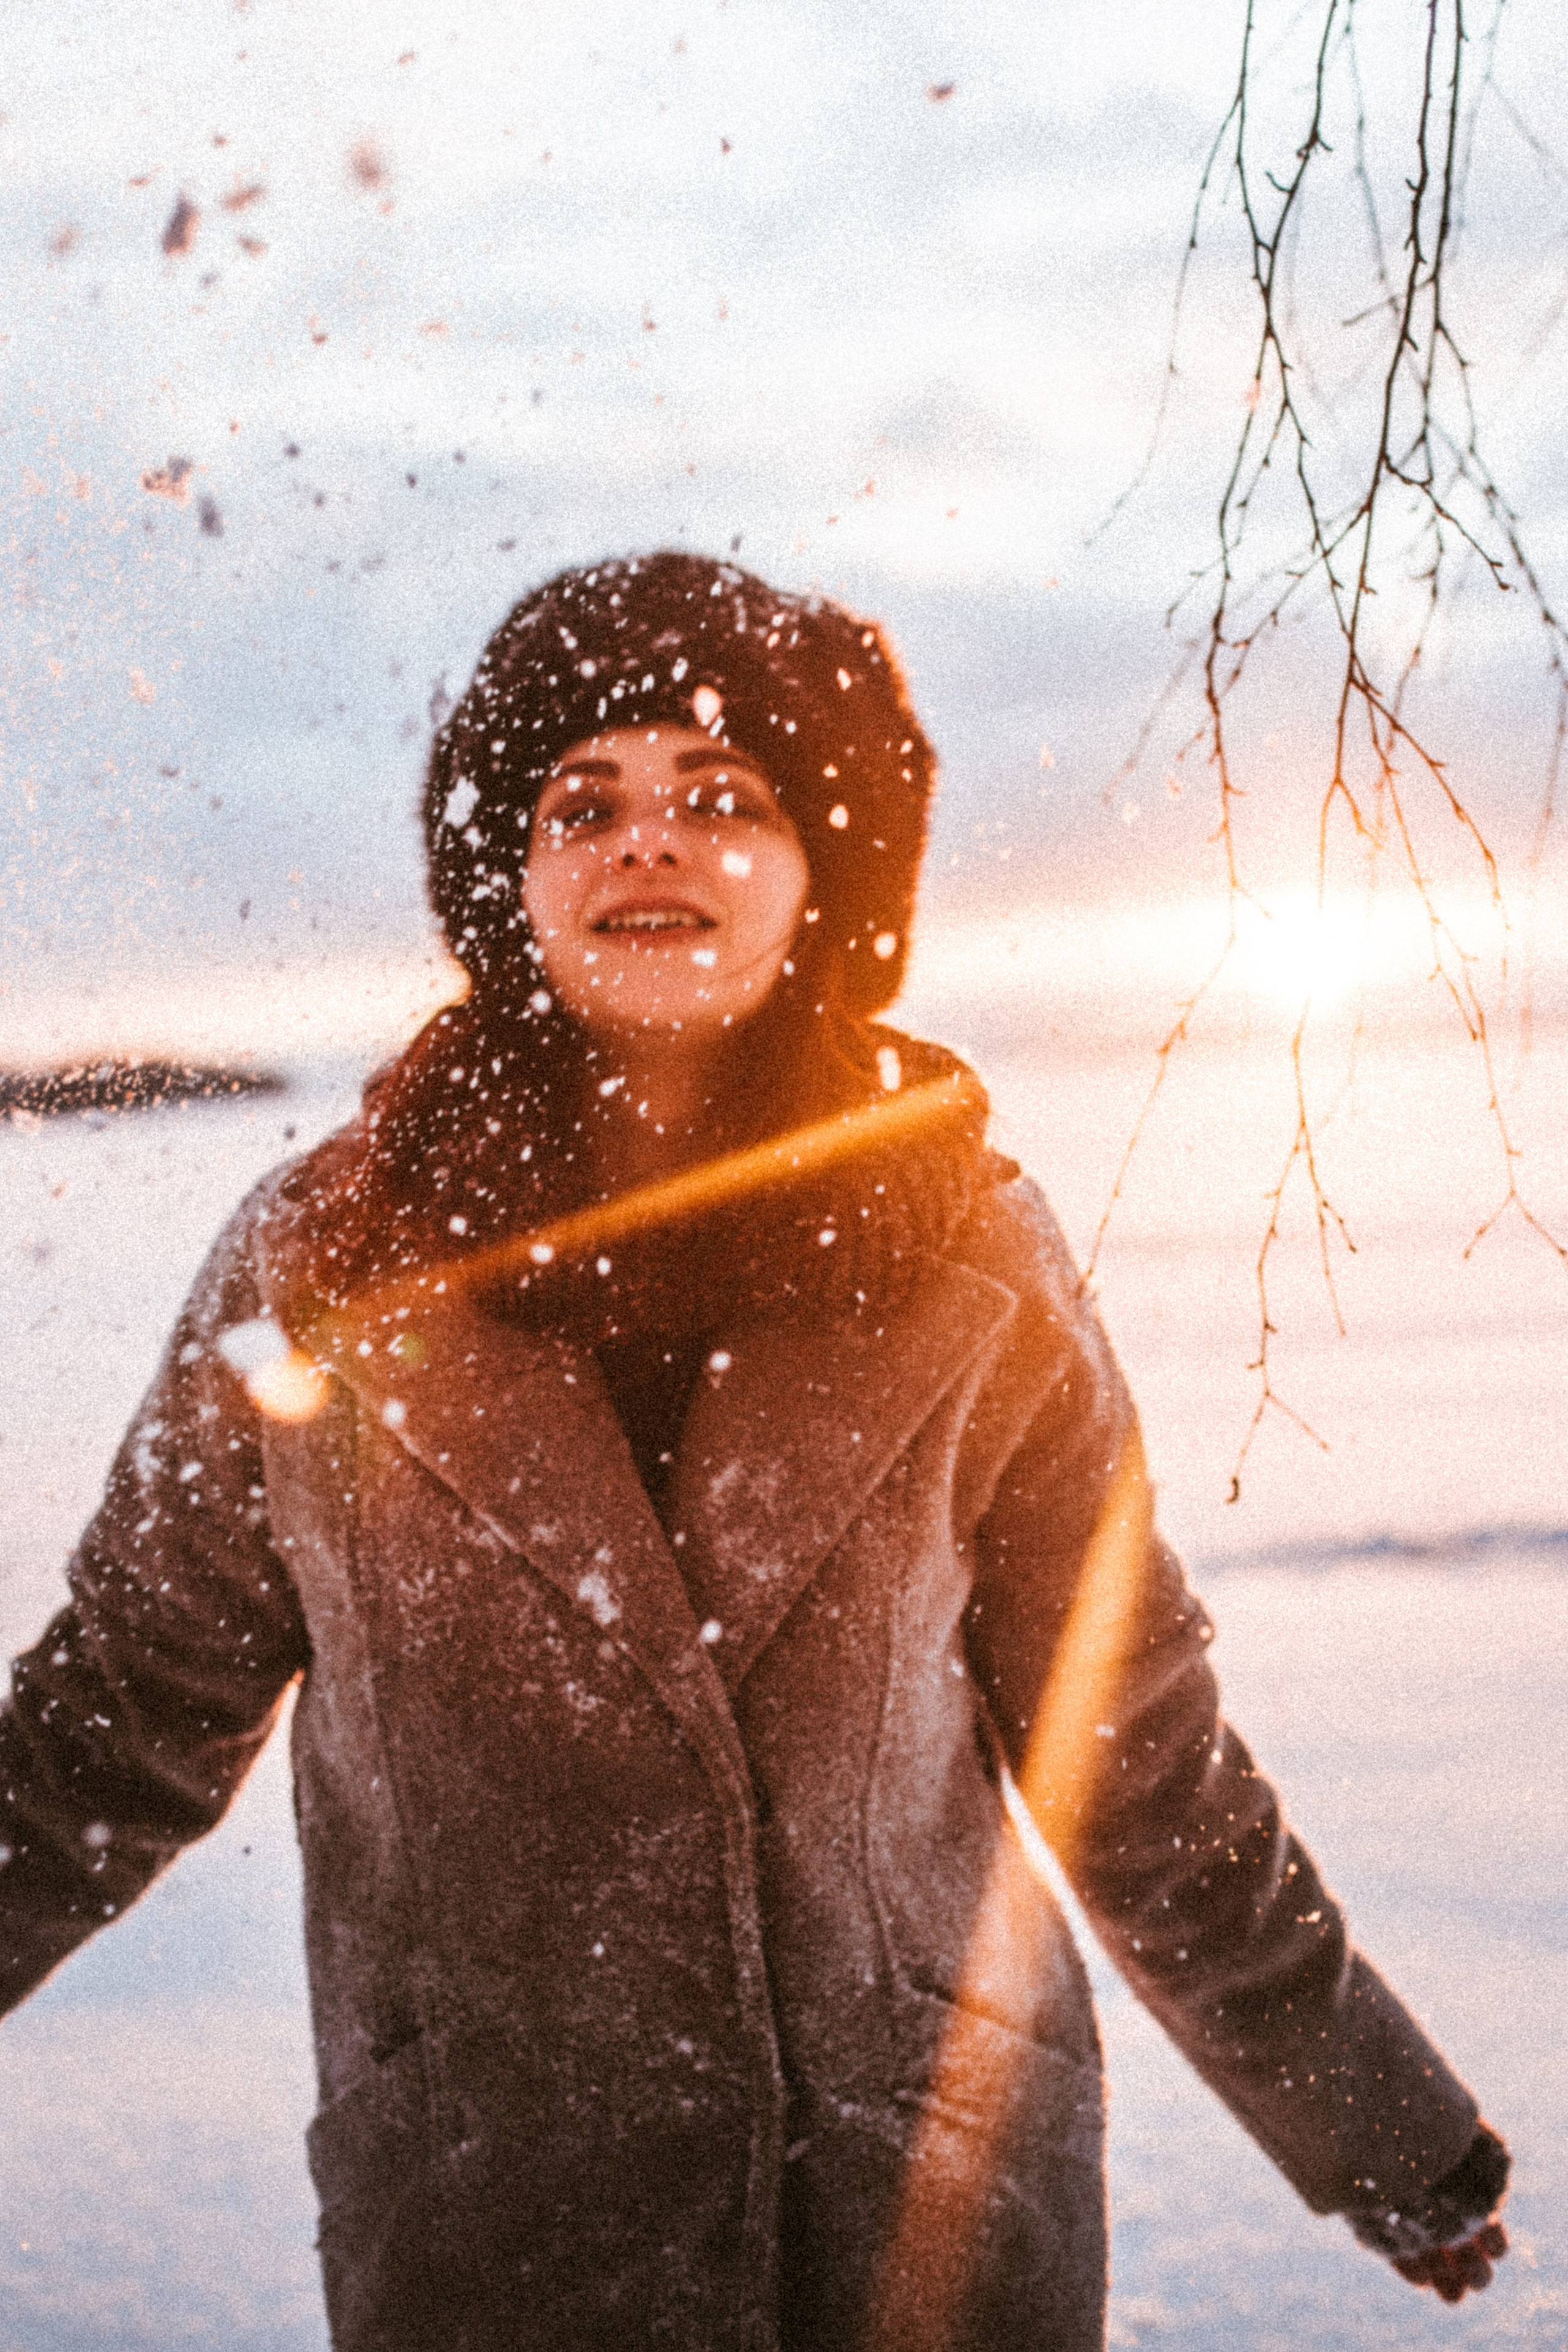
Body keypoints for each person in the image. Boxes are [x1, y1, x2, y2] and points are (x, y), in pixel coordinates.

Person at [0, 552, 1510, 2350]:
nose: (651, 843)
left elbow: (1134, 1746)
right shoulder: (323, 1260)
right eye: (587, 802)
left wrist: (1373, 2124)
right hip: (498, 2229)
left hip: (930, 2224)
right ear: (513, 872)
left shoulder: (980, 1253)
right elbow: (121, 1712)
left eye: (725, 798)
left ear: (824, 875)